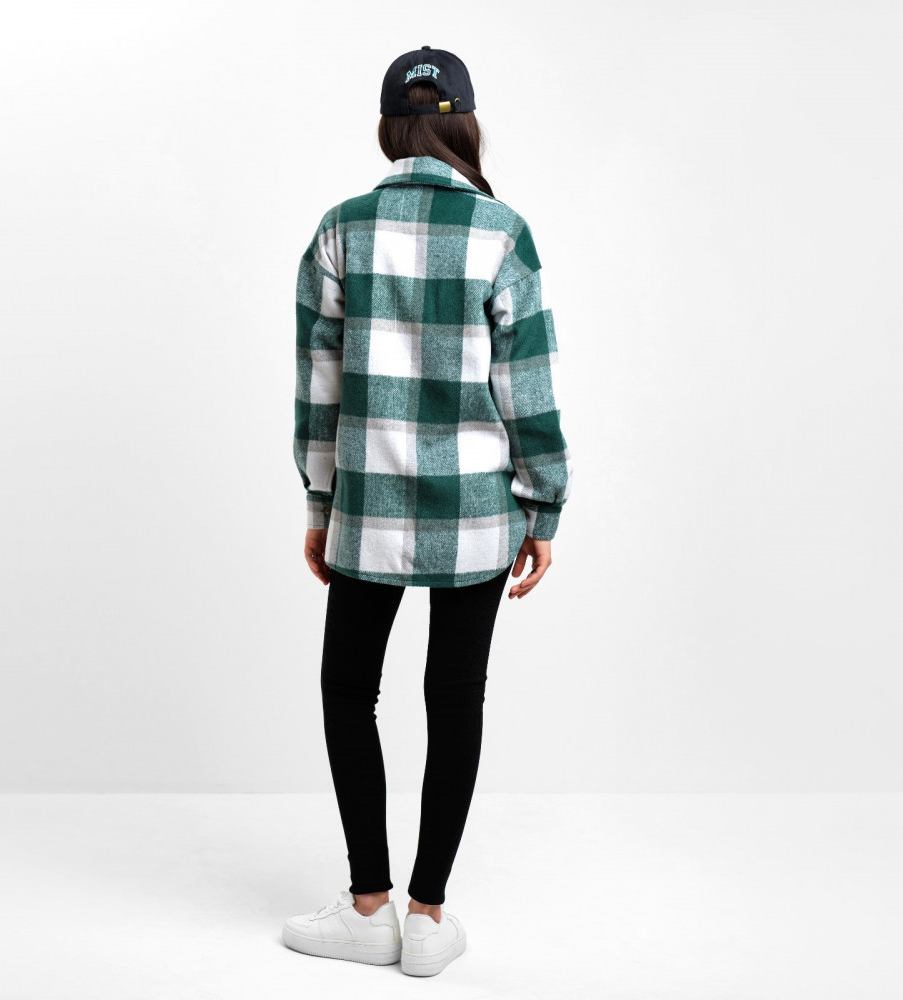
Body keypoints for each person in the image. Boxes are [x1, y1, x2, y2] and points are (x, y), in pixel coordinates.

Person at [283, 45, 573, 977]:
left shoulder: (341, 229)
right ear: (465, 125)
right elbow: (529, 386)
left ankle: (369, 907)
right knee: (455, 700)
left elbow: (319, 386)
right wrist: (545, 506)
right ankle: (429, 916)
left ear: (388, 127)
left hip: (367, 505)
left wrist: (321, 501)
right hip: (478, 512)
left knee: (347, 693)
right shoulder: (502, 232)